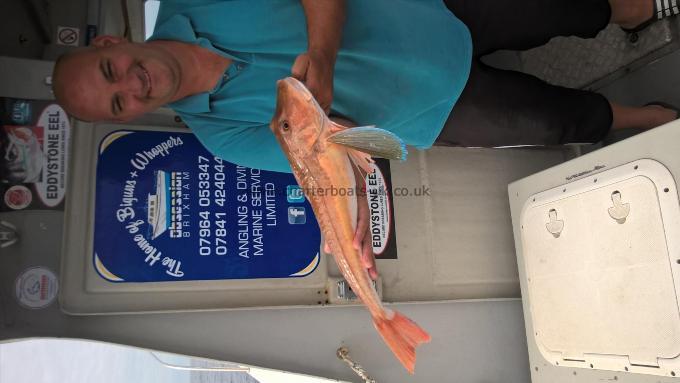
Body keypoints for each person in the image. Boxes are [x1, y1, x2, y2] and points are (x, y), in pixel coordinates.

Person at [52, 0, 679, 279]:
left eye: (111, 70)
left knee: (556, 8)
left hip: (422, 8)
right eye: (118, 104)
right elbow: (332, 161)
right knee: (553, 123)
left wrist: (320, 58)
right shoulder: (221, 137)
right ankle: (647, 117)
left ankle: (638, 9)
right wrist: (348, 222)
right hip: (429, 112)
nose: (131, 87)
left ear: (111, 44)